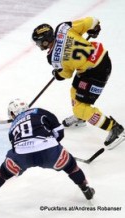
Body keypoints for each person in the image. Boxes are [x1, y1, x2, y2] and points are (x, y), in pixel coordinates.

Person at [31, 17, 125, 149]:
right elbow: (92, 21)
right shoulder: (63, 28)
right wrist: (95, 28)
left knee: (81, 108)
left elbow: (66, 74)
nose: (39, 45)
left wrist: (57, 74)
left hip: (96, 72)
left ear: (45, 42)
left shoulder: (52, 57)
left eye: (39, 43)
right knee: (74, 90)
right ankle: (81, 118)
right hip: (98, 59)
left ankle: (114, 128)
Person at [0, 98, 95, 204]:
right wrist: (53, 145)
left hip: (22, 156)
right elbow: (59, 132)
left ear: (13, 113)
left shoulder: (12, 126)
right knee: (70, 165)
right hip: (49, 151)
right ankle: (85, 188)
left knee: (3, 172)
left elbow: (15, 145)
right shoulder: (39, 111)